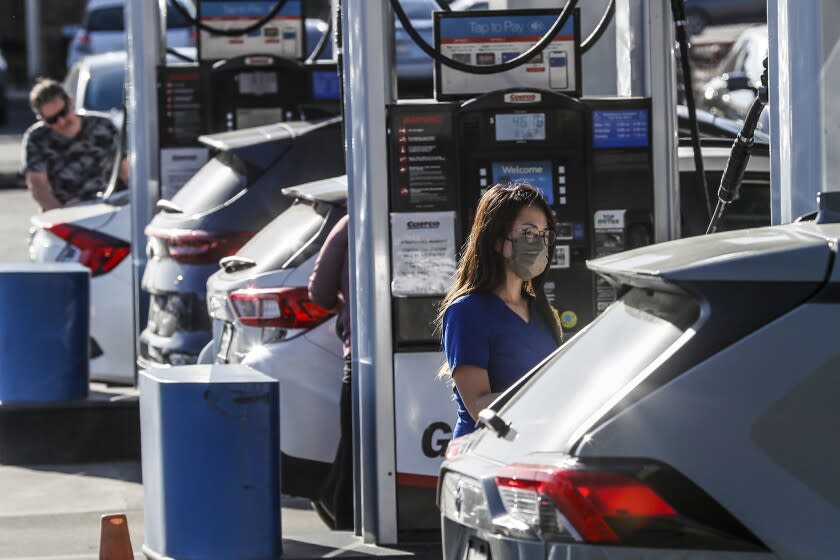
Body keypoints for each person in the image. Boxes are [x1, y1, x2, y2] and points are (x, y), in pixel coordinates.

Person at [438, 182, 564, 437]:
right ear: (497, 241)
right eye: (527, 232)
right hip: (485, 454)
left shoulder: (540, 311)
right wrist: (548, 393)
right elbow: (478, 406)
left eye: (543, 234)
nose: (537, 243)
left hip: (532, 448)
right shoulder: (467, 312)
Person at [307, 213, 353, 529]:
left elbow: (320, 292)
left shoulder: (351, 225)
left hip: (360, 355)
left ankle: (343, 518)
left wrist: (347, 306)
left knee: (353, 444)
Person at [22, 78, 128, 212]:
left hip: (109, 210)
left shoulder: (104, 126)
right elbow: (38, 186)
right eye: (52, 119)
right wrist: (61, 213)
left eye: (63, 113)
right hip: (66, 213)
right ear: (41, 119)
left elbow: (127, 172)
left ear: (70, 102)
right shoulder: (37, 138)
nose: (61, 122)